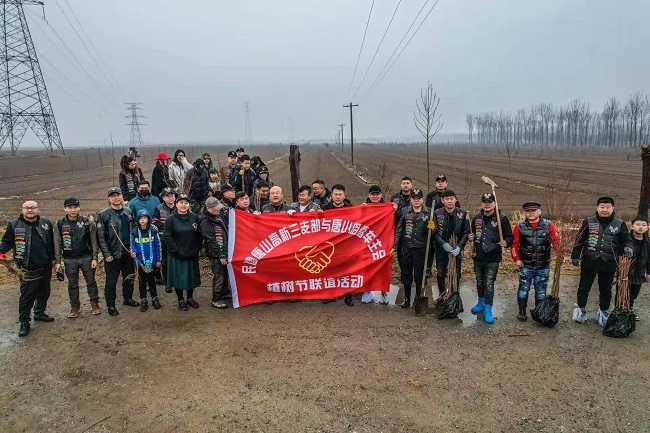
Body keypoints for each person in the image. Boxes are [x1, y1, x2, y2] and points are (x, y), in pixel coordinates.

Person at [571, 197, 633, 325]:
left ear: (613, 208)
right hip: (589, 261)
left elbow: (626, 240)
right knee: (583, 288)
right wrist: (575, 256)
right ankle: (581, 311)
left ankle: (603, 313)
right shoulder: (589, 221)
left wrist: (628, 248)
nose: (605, 210)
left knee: (606, 290)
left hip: (608, 262)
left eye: (608, 207)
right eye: (602, 207)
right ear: (597, 208)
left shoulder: (619, 223)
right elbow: (580, 239)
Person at [0, 200, 55, 337]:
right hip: (27, 267)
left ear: (38, 209)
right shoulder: (14, 225)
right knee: (27, 296)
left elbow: (52, 242)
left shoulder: (45, 223)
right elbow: (6, 242)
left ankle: (39, 313)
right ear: (22, 209)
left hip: (45, 265)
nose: (30, 210)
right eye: (27, 208)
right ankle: (24, 322)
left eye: (33, 208)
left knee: (44, 291)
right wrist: (1, 252)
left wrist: (55, 261)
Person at [511, 201, 561, 322]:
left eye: (533, 211)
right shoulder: (520, 226)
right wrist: (516, 259)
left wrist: (560, 252)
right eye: (528, 211)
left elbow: (556, 241)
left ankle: (539, 311)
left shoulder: (549, 225)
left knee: (541, 290)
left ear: (539, 211)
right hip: (526, 265)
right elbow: (514, 245)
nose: (531, 213)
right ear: (525, 213)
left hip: (543, 265)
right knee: (523, 289)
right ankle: (522, 311)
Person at [467, 193, 513, 324]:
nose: (487, 204)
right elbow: (472, 235)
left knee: (489, 283)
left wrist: (506, 242)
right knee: (480, 281)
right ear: (482, 204)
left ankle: (488, 308)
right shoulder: (477, 218)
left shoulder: (501, 219)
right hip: (478, 256)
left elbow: (509, 236)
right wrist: (471, 238)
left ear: (494, 203)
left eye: (490, 202)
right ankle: (481, 302)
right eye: (484, 202)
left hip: (493, 257)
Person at [53, 198, 100, 318]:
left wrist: (95, 258)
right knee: (72, 284)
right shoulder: (60, 223)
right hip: (69, 259)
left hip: (86, 257)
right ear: (65, 209)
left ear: (79, 208)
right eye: (70, 207)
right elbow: (57, 242)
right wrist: (58, 261)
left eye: (75, 207)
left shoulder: (87, 221)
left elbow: (94, 240)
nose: (73, 210)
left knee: (91, 282)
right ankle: (75, 306)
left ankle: (94, 303)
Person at [97, 187, 138, 316]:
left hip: (128, 252)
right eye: (113, 196)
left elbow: (133, 230)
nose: (116, 198)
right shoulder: (104, 214)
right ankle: (111, 305)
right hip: (113, 254)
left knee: (129, 277)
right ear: (109, 199)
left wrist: (133, 248)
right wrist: (106, 254)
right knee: (111, 281)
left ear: (121, 196)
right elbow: (101, 237)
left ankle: (128, 298)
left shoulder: (128, 211)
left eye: (118, 195)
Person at [394, 189, 435, 308]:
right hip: (406, 248)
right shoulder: (405, 211)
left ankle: (418, 298)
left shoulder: (429, 213)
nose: (416, 201)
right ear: (411, 199)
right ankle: (407, 299)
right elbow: (399, 229)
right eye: (414, 198)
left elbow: (434, 233)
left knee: (419, 276)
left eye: (418, 198)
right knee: (406, 276)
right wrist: (395, 245)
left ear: (422, 199)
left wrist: (433, 229)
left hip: (421, 249)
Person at [164, 194, 202, 311]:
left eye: (186, 203)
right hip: (177, 254)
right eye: (181, 203)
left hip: (191, 252)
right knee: (178, 278)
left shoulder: (194, 217)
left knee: (191, 277)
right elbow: (167, 236)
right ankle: (180, 299)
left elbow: (199, 234)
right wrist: (176, 250)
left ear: (189, 205)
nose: (184, 205)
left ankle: (190, 298)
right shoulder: (170, 219)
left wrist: (197, 248)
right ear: (176, 204)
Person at [321, 184, 355, 306]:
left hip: (346, 245)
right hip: (329, 245)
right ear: (331, 195)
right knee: (330, 270)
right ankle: (330, 295)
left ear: (344, 195)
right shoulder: (325, 209)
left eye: (340, 194)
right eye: (335, 194)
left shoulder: (351, 209)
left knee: (347, 271)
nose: (337, 197)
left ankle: (348, 296)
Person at [434, 189, 470, 295]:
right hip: (441, 249)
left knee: (455, 273)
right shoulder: (437, 213)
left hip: (456, 249)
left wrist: (460, 247)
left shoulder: (462, 214)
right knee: (440, 273)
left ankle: (454, 294)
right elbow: (434, 232)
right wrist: (442, 243)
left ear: (455, 200)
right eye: (447, 199)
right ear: (442, 200)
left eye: (451, 199)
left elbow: (466, 232)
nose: (449, 201)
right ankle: (442, 294)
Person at [425, 175, 460, 278]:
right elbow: (428, 209)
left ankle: (449, 268)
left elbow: (457, 208)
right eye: (438, 181)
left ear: (446, 183)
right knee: (431, 246)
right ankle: (428, 268)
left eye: (442, 181)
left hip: (449, 224)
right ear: (436, 183)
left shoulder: (451, 195)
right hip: (435, 223)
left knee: (449, 246)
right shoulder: (431, 195)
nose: (440, 183)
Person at [199, 197, 229, 309]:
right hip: (216, 254)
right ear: (208, 208)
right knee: (219, 276)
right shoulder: (205, 222)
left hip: (224, 250)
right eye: (215, 208)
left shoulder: (218, 215)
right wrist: (220, 255)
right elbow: (210, 241)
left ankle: (225, 293)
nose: (218, 210)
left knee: (225, 274)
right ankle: (216, 299)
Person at [361, 185, 388, 304]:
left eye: (377, 194)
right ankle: (367, 291)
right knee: (366, 266)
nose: (375, 196)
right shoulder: (364, 208)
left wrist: (395, 208)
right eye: (372, 194)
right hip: (367, 242)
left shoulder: (387, 208)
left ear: (381, 195)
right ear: (369, 195)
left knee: (383, 267)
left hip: (383, 241)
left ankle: (383, 291)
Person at [131, 210, 162, 312]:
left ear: (148, 219)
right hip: (140, 263)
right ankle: (143, 300)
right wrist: (133, 252)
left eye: (145, 218)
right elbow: (133, 245)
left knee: (152, 281)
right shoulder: (135, 231)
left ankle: (155, 298)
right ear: (138, 220)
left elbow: (158, 246)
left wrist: (158, 260)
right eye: (140, 218)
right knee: (141, 282)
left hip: (151, 262)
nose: (143, 220)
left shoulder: (153, 231)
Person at [153, 187, 176, 291]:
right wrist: (169, 226)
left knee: (176, 260)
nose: (171, 198)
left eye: (173, 195)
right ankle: (167, 282)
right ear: (163, 198)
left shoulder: (179, 206)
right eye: (168, 196)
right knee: (165, 261)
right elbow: (155, 222)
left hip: (177, 237)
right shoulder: (158, 208)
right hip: (163, 237)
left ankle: (177, 281)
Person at [627, 216, 650, 321]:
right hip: (626, 272)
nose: (640, 227)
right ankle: (621, 311)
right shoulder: (626, 240)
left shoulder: (648, 242)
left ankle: (630, 310)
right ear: (632, 226)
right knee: (623, 292)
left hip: (640, 272)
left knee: (634, 293)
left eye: (643, 225)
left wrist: (648, 272)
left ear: (647, 227)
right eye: (638, 224)